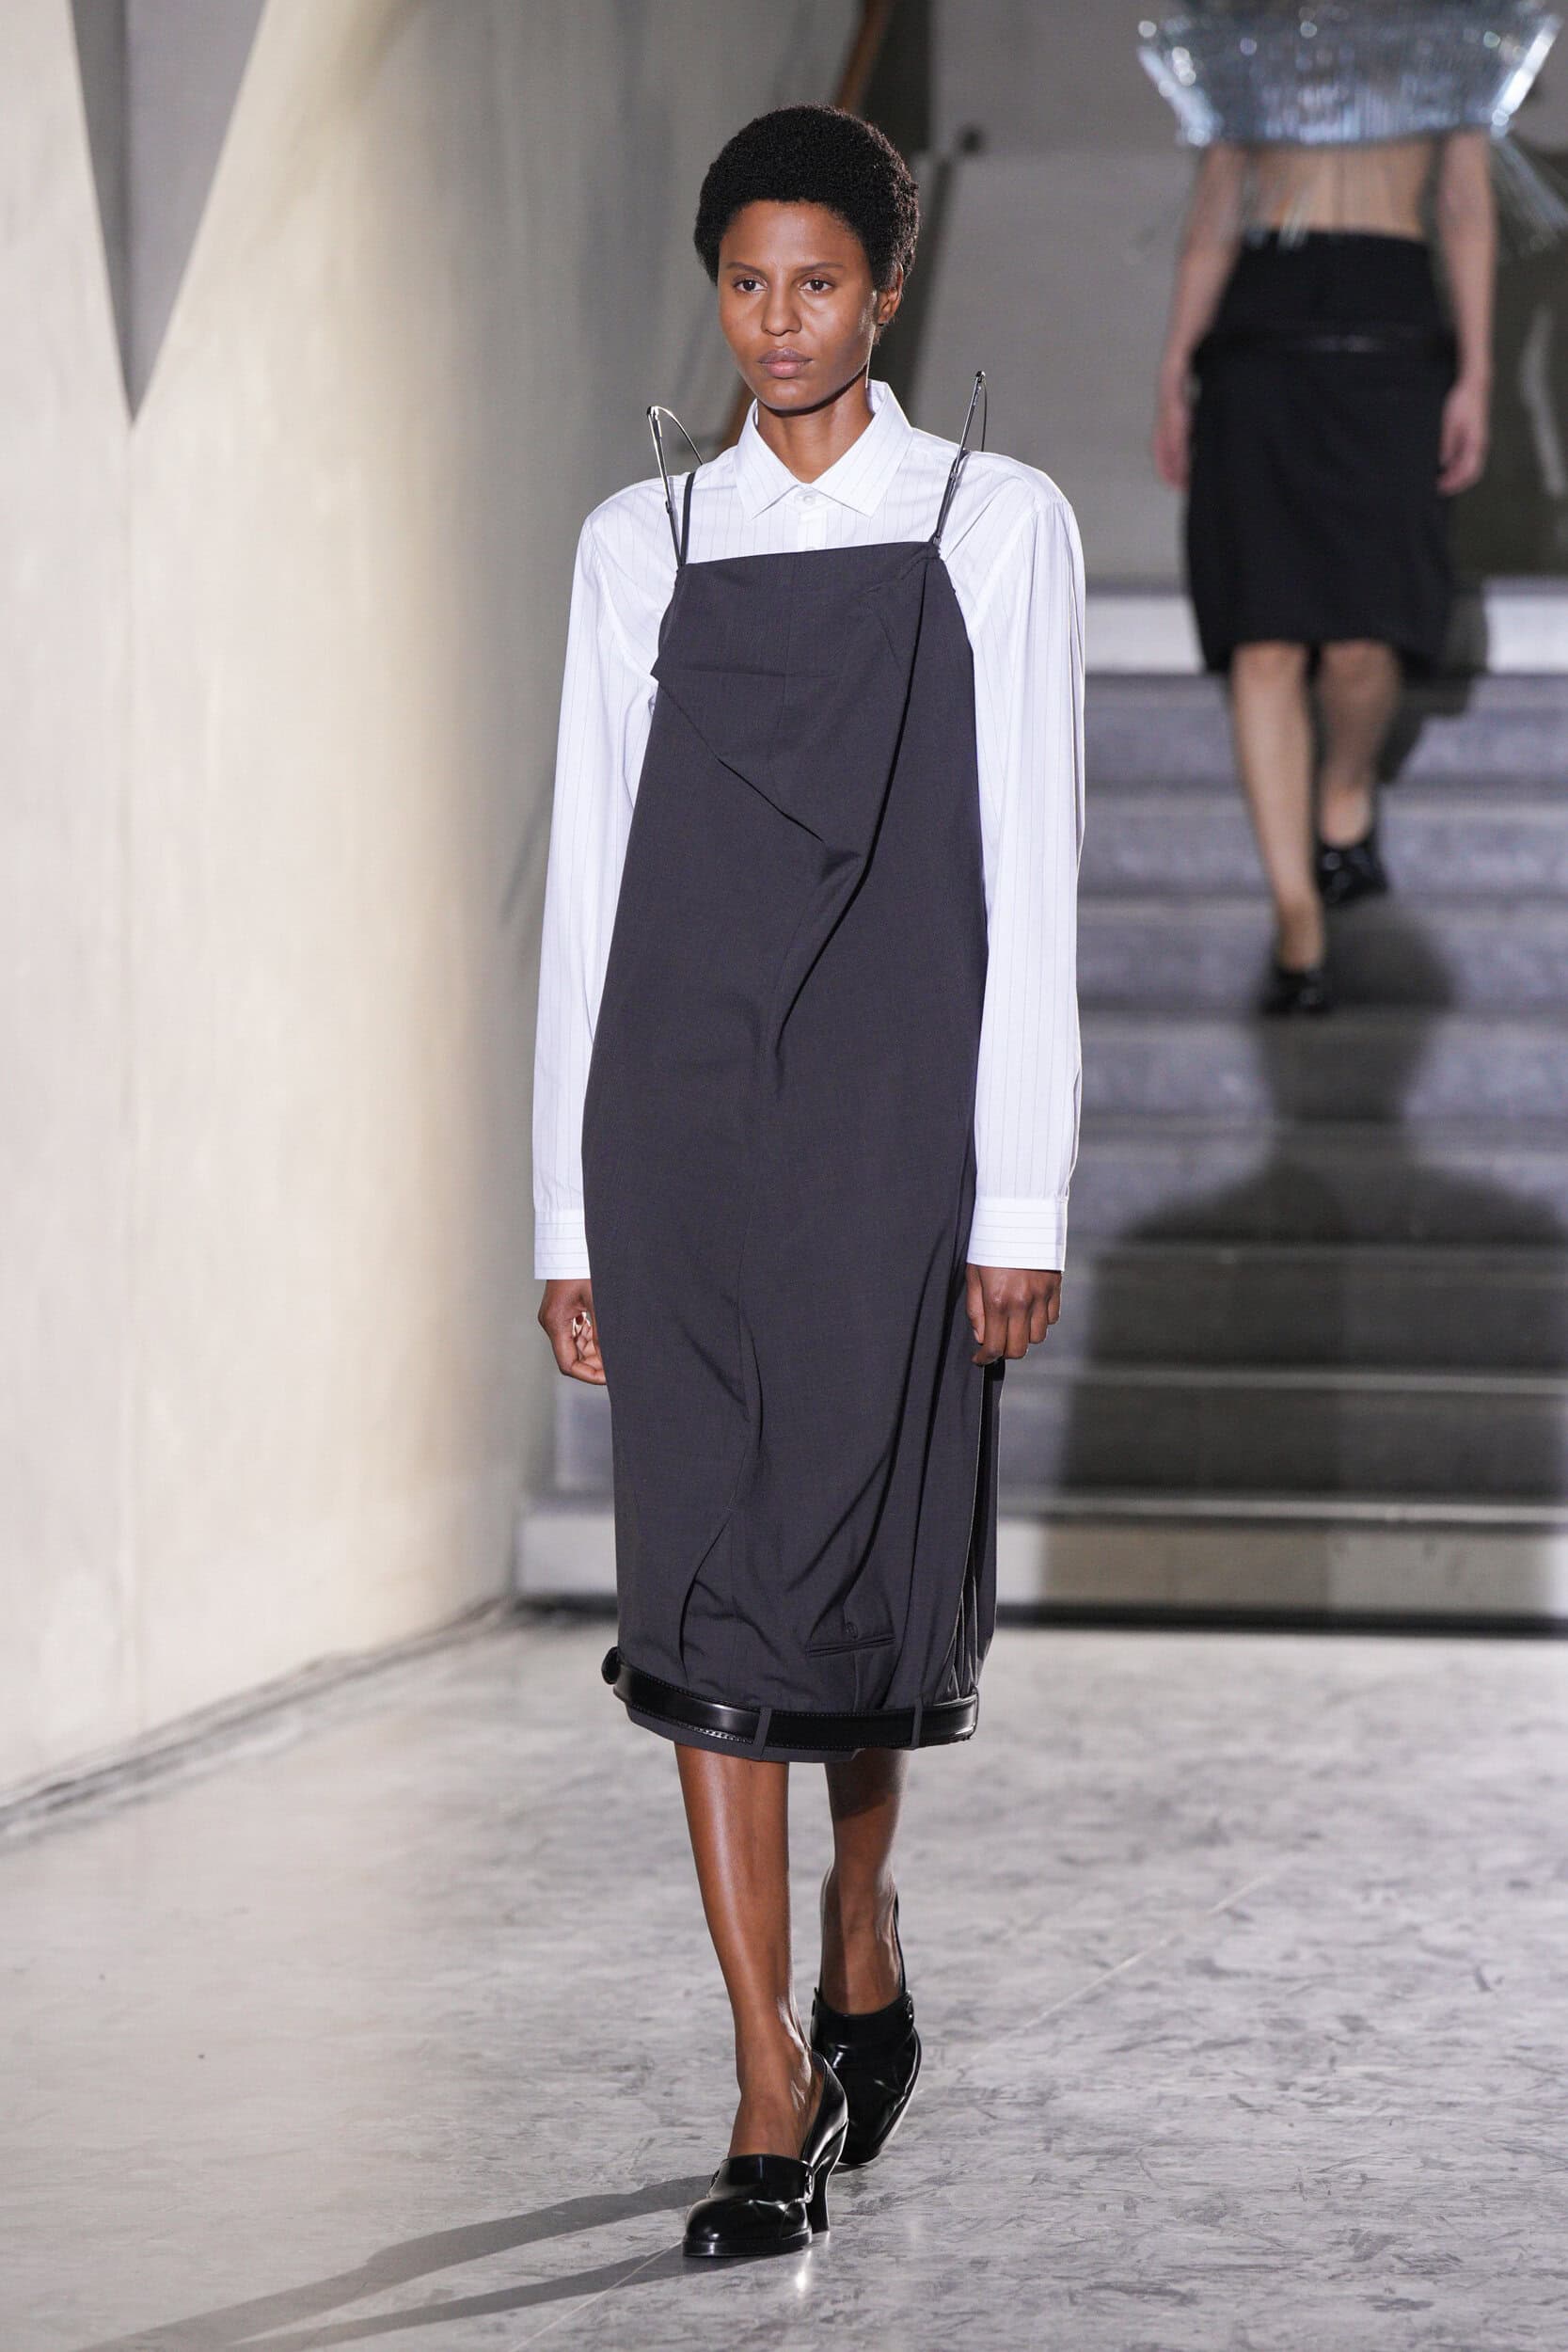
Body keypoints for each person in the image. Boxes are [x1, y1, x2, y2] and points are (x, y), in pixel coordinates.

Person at [531, 105, 1084, 2259]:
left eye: (817, 283)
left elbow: (1029, 871)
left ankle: (861, 1921)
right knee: (698, 1597)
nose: (777, 323)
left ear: (885, 289)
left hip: (889, 1133)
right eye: (746, 284)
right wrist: (565, 1215)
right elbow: (591, 889)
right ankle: (768, 2077)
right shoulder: (638, 544)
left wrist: (1017, 1191)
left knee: (853, 1580)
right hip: (676, 1132)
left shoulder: (993, 524)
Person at [1149, 65, 1497, 1011]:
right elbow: (1216, 203)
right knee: (1261, 638)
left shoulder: (1439, 34)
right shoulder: (1248, 32)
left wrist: (1474, 375)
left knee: (1361, 640)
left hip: (1390, 333)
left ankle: (1343, 786)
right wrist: (1174, 369)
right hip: (1258, 341)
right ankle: (1296, 921)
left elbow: (1465, 204)